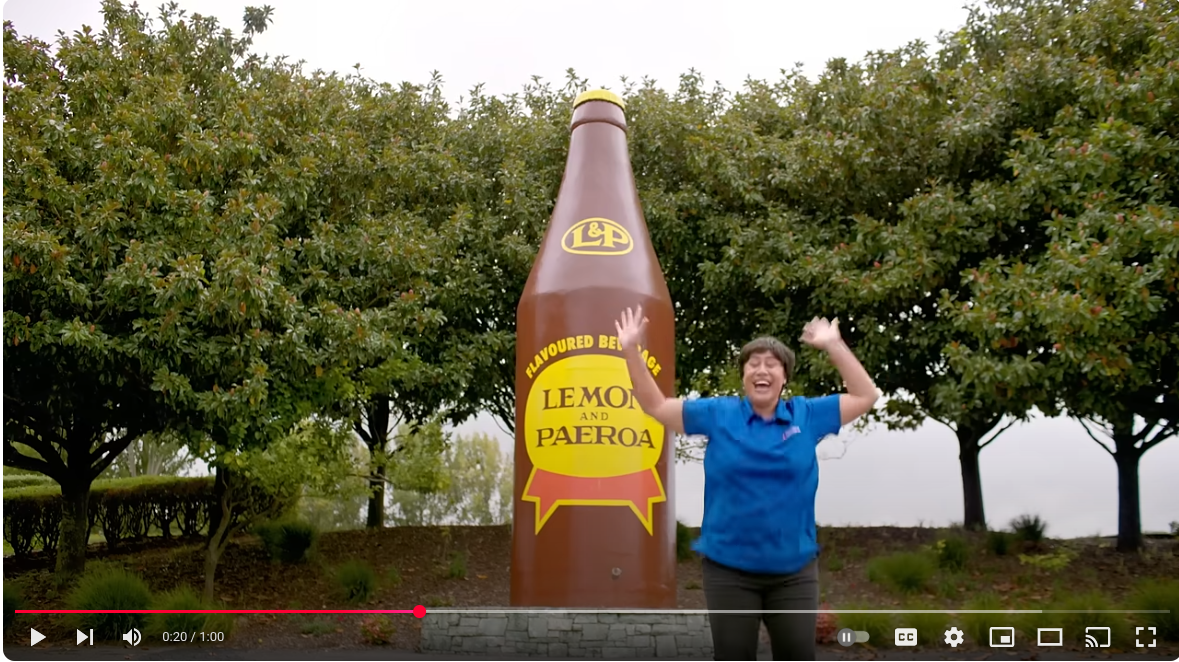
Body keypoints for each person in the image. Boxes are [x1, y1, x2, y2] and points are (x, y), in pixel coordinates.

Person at [614, 305, 879, 661]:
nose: (761, 369)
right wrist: (630, 349)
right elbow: (656, 406)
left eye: (772, 364)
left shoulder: (807, 415)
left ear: (784, 377)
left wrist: (834, 345)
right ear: (743, 377)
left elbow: (865, 396)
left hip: (794, 573)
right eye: (753, 364)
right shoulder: (718, 414)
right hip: (729, 572)